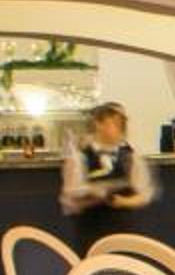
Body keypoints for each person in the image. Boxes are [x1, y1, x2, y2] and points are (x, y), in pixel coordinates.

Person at [57, 101, 157, 248]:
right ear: (99, 124)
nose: (119, 129)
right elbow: (70, 196)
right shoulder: (80, 156)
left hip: (123, 228)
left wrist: (123, 201)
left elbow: (144, 194)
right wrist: (94, 193)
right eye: (114, 124)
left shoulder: (130, 156)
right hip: (91, 229)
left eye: (121, 125)